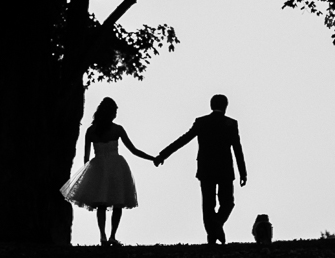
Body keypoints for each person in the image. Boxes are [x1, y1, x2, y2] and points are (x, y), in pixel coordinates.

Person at [60, 97, 155, 246]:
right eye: (115, 111)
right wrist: (153, 159)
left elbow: (86, 157)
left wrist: (88, 175)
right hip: (117, 167)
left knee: (101, 203)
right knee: (118, 202)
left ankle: (104, 236)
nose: (116, 114)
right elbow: (134, 150)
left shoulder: (91, 130)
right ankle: (111, 236)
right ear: (110, 112)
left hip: (98, 167)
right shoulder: (117, 129)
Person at [155, 93, 248, 244]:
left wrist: (163, 155)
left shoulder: (202, 122)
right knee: (227, 203)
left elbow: (183, 140)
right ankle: (217, 224)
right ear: (226, 106)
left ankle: (212, 234)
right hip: (225, 169)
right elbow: (238, 149)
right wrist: (243, 172)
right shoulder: (231, 124)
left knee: (208, 204)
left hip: (206, 168)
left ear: (211, 106)